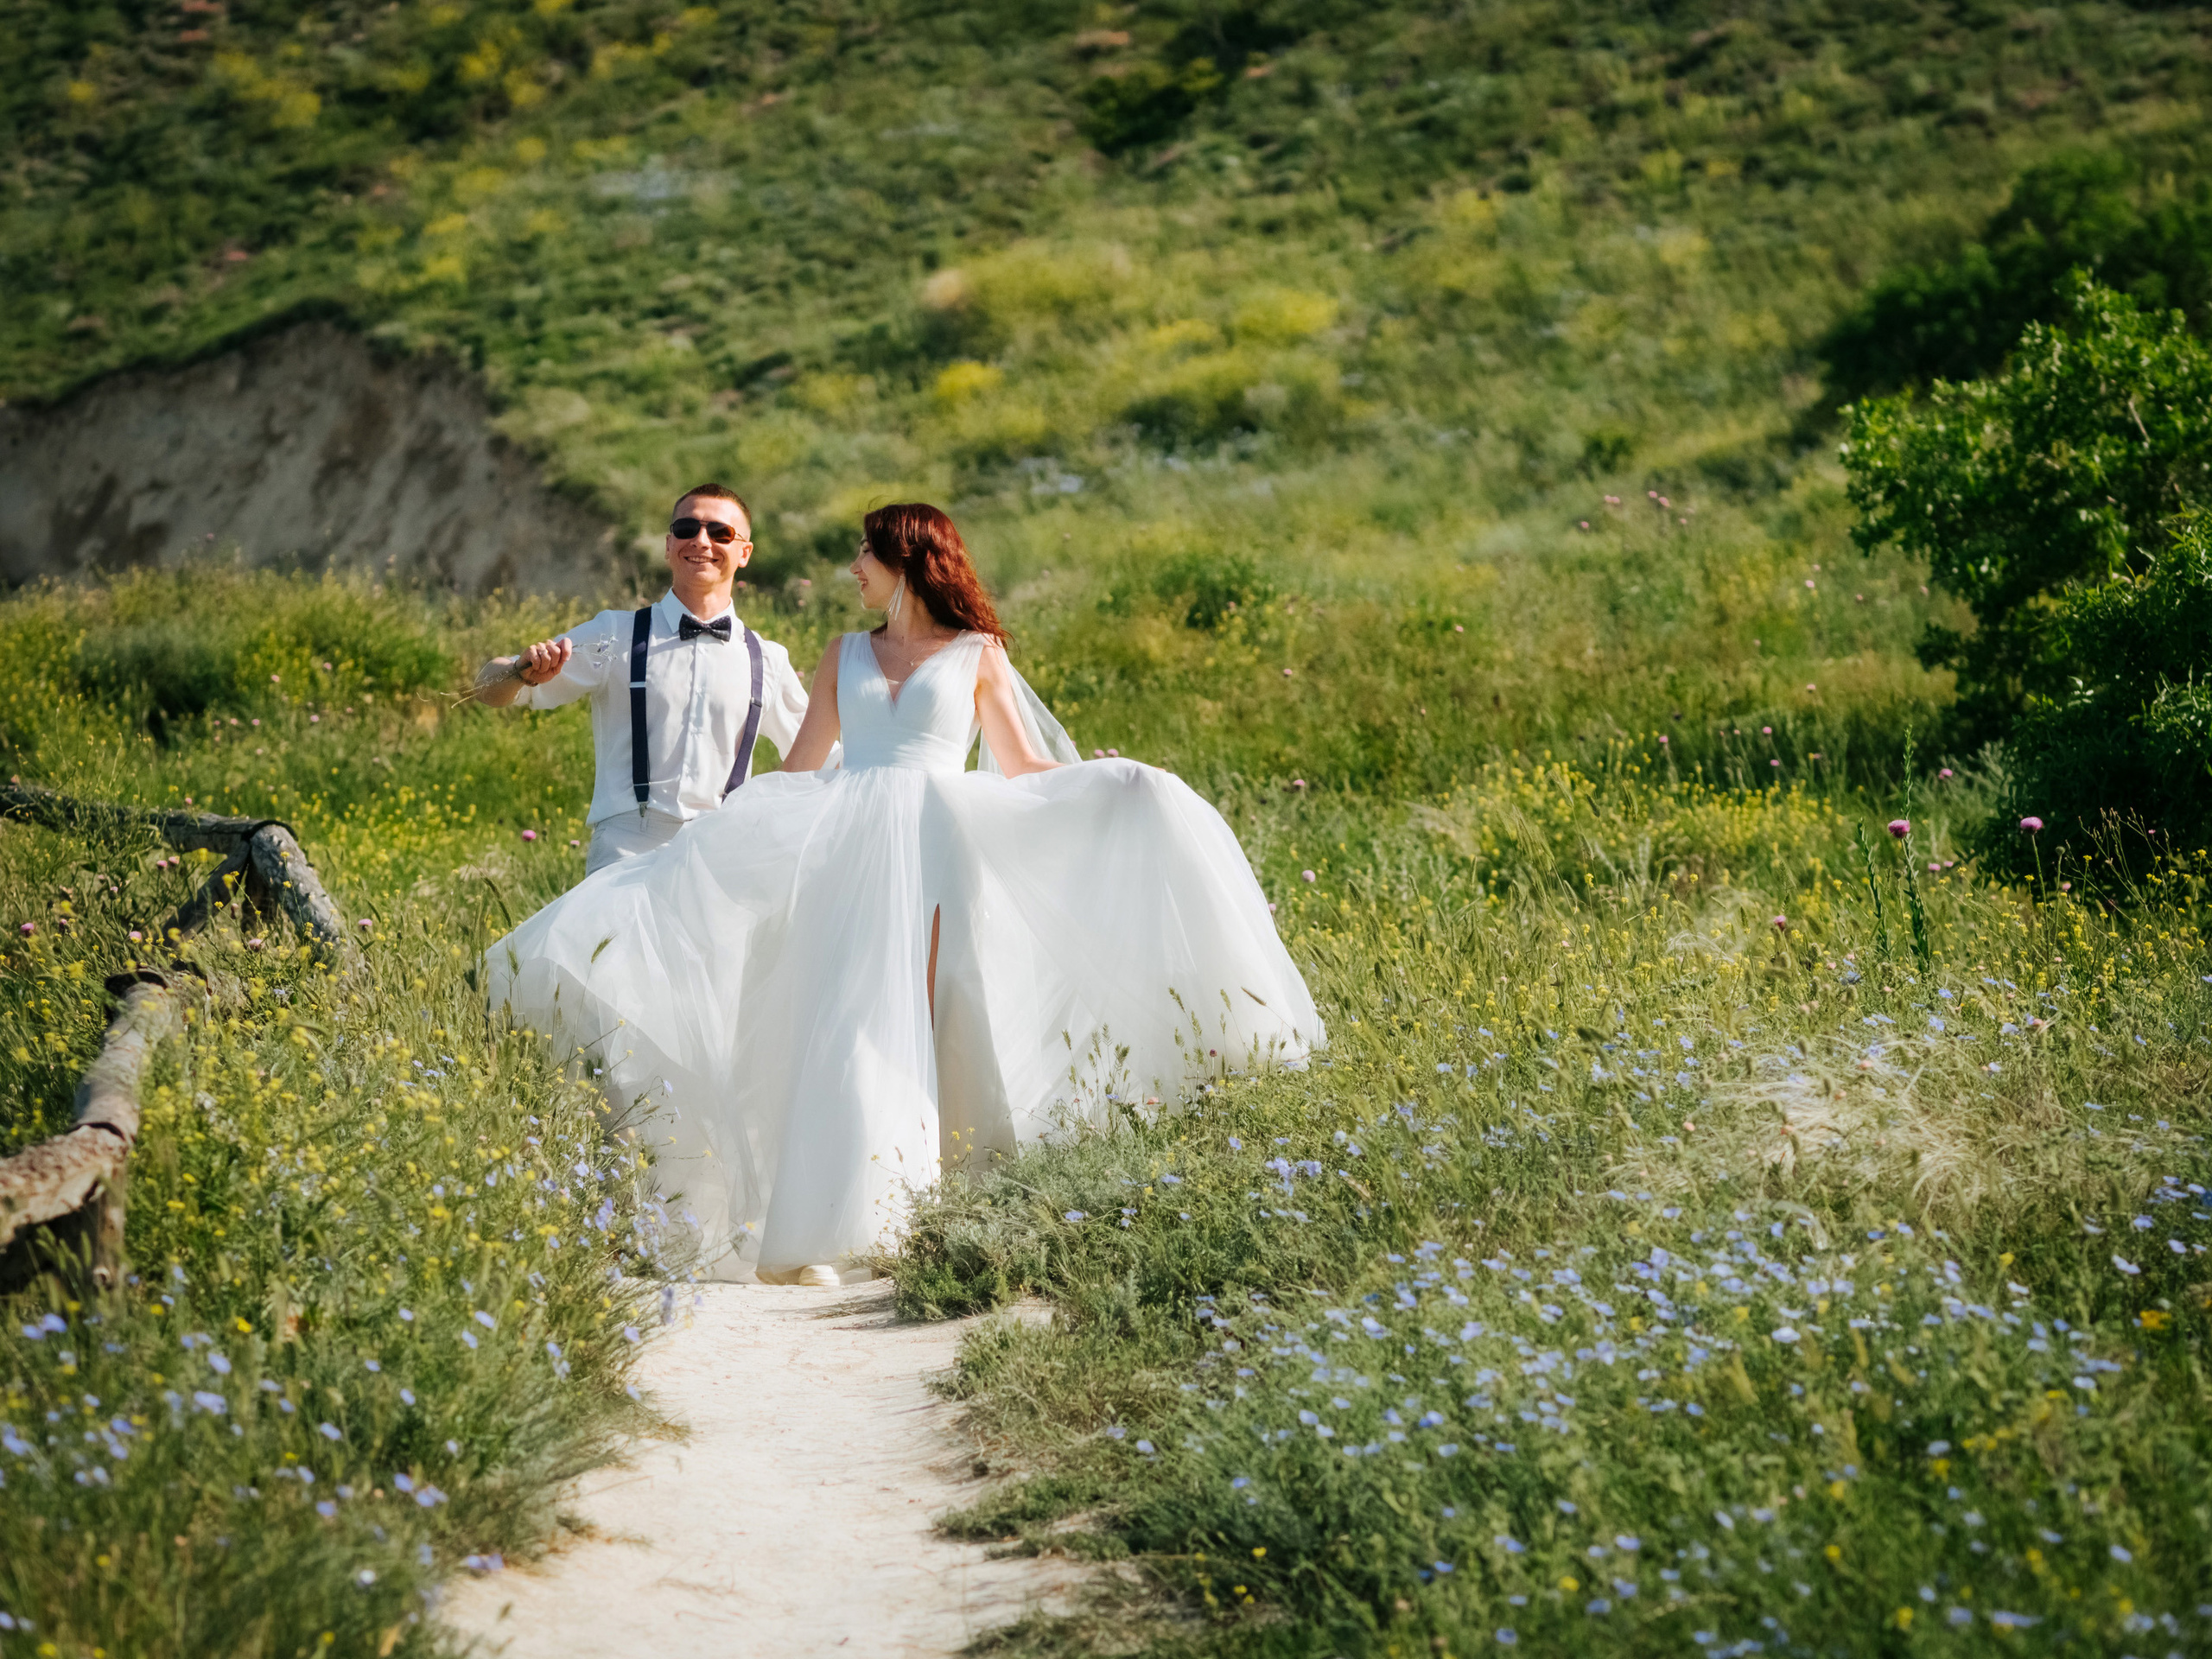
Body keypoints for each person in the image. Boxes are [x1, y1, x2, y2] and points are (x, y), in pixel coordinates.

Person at [486, 504, 1320, 1286]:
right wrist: (720, 839)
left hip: (940, 837)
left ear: (906, 561)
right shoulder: (842, 653)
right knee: (849, 1018)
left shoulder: (978, 654)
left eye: (865, 553)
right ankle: (833, 1230)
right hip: (851, 846)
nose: (853, 567)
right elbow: (802, 767)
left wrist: (1116, 786)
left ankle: (946, 1207)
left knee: (943, 1012)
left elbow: (1024, 766)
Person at [474, 485, 812, 874]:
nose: (701, 541)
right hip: (625, 855)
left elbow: (818, 758)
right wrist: (519, 671)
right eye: (687, 529)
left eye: (720, 533)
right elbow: (489, 690)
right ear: (669, 545)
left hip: (722, 860)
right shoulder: (615, 634)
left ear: (745, 552)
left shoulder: (767, 659)